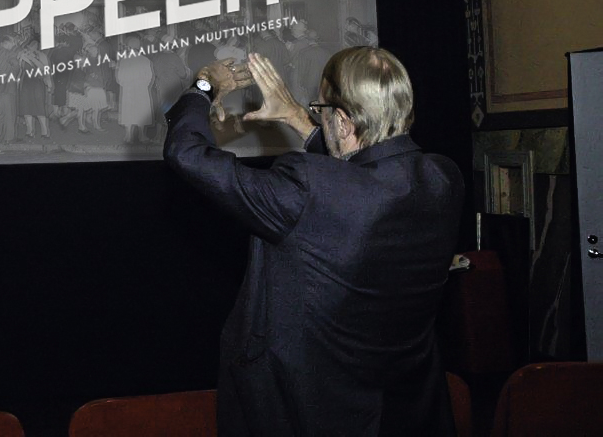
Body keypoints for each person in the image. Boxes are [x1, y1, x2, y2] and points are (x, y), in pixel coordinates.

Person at [163, 46, 464, 437]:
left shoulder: (308, 186)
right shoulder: (443, 178)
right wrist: (295, 116)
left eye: (321, 110)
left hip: (305, 411)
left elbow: (187, 153)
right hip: (403, 410)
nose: (317, 117)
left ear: (343, 122)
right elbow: (366, 174)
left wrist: (204, 86)